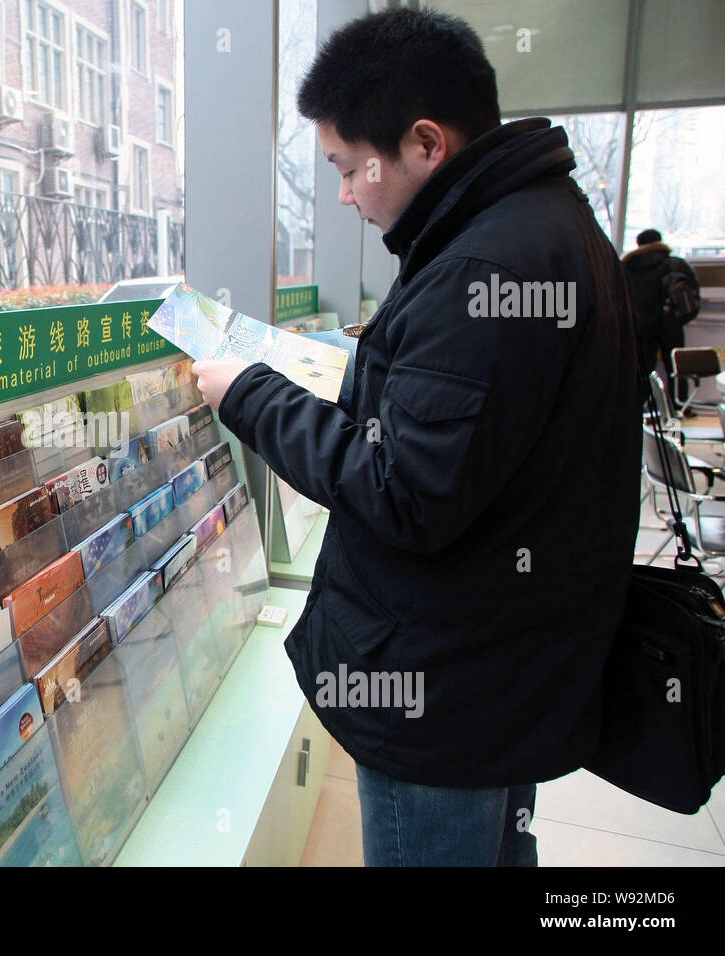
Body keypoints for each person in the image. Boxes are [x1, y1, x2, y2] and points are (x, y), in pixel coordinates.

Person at [193, 8, 642, 866]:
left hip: (446, 692)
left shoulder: (484, 265)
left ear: (426, 144)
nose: (344, 194)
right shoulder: (543, 226)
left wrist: (245, 392)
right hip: (504, 671)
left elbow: (404, 489)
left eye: (348, 168)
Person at [623, 228, 701, 407]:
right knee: (675, 367)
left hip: (641, 324)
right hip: (671, 322)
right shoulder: (674, 264)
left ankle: (643, 407)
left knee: (645, 369)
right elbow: (692, 291)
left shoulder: (628, 266)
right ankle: (679, 406)